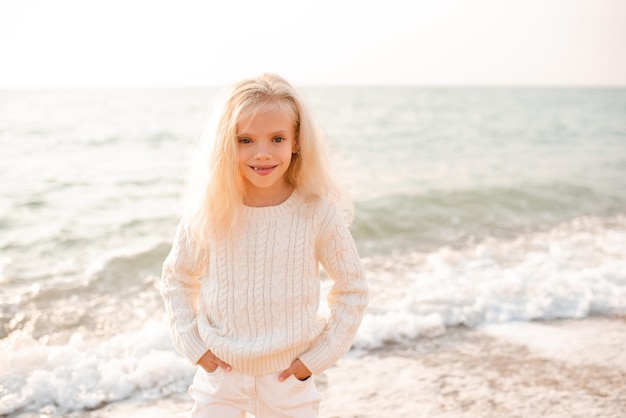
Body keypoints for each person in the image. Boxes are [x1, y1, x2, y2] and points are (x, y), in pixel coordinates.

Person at [160, 73, 369, 418]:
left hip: (288, 379)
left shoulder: (317, 213)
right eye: (245, 140)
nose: (262, 154)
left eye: (276, 138)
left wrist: (313, 361)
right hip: (221, 377)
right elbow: (177, 279)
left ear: (297, 141)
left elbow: (353, 290)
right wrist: (195, 347)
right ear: (227, 141)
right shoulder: (210, 209)